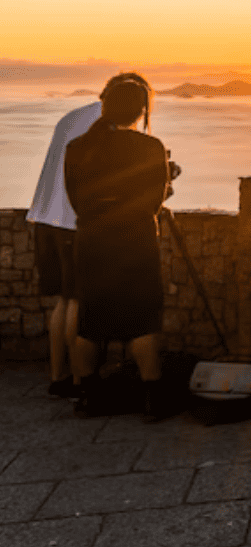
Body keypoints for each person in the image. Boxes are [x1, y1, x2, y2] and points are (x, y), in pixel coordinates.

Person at [26, 73, 151, 396]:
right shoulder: (108, 124)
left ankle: (58, 378)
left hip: (44, 217)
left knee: (63, 302)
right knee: (79, 302)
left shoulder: (73, 117)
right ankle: (82, 382)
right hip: (72, 221)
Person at [64, 77, 170, 420]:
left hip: (92, 241)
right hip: (135, 242)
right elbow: (153, 202)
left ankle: (90, 397)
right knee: (142, 320)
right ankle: (154, 398)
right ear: (141, 110)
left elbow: (75, 199)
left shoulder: (77, 147)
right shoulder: (150, 148)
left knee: (91, 321)